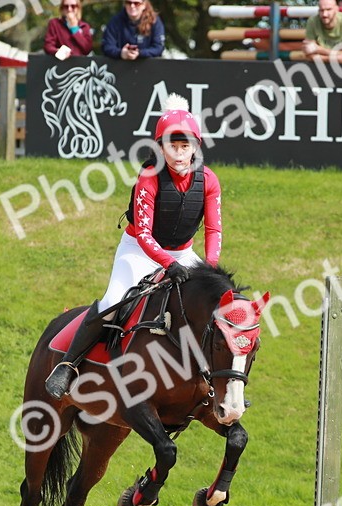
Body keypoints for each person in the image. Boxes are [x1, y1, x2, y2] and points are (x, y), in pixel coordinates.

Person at [45, 96, 222, 399]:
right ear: (161, 148)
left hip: (183, 253)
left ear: (196, 147)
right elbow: (143, 234)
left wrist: (211, 269)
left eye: (185, 146)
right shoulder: (149, 178)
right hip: (139, 250)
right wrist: (169, 264)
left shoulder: (208, 180)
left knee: (212, 305)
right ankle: (68, 365)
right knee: (112, 302)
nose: (179, 153)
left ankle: (220, 382)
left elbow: (214, 230)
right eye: (172, 146)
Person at [101, 0, 165, 60]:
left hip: (148, 65)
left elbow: (158, 48)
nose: (132, 6)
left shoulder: (154, 21)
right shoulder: (115, 21)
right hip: (120, 65)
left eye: (136, 3)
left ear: (144, 5)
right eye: (129, 3)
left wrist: (139, 53)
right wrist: (121, 53)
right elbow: (107, 46)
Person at [301, 0, 342, 65]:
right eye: (322, 10)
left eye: (328, 9)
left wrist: (318, 49)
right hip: (318, 67)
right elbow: (309, 55)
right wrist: (337, 58)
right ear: (318, 10)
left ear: (336, 9)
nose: (324, 14)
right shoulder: (313, 21)